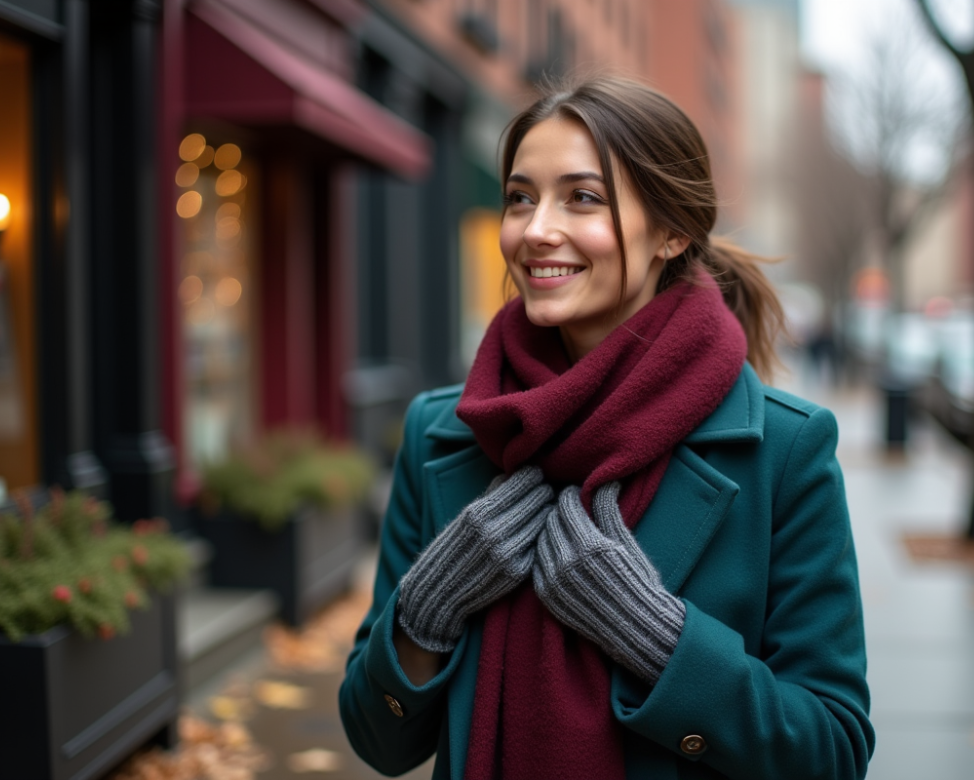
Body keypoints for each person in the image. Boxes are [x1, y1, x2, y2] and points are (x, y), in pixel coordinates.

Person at [339, 76, 873, 780]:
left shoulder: (784, 451)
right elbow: (379, 741)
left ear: (673, 231)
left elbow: (831, 751)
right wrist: (425, 613)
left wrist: (659, 641)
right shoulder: (441, 432)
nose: (535, 230)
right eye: (520, 197)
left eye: (582, 198)